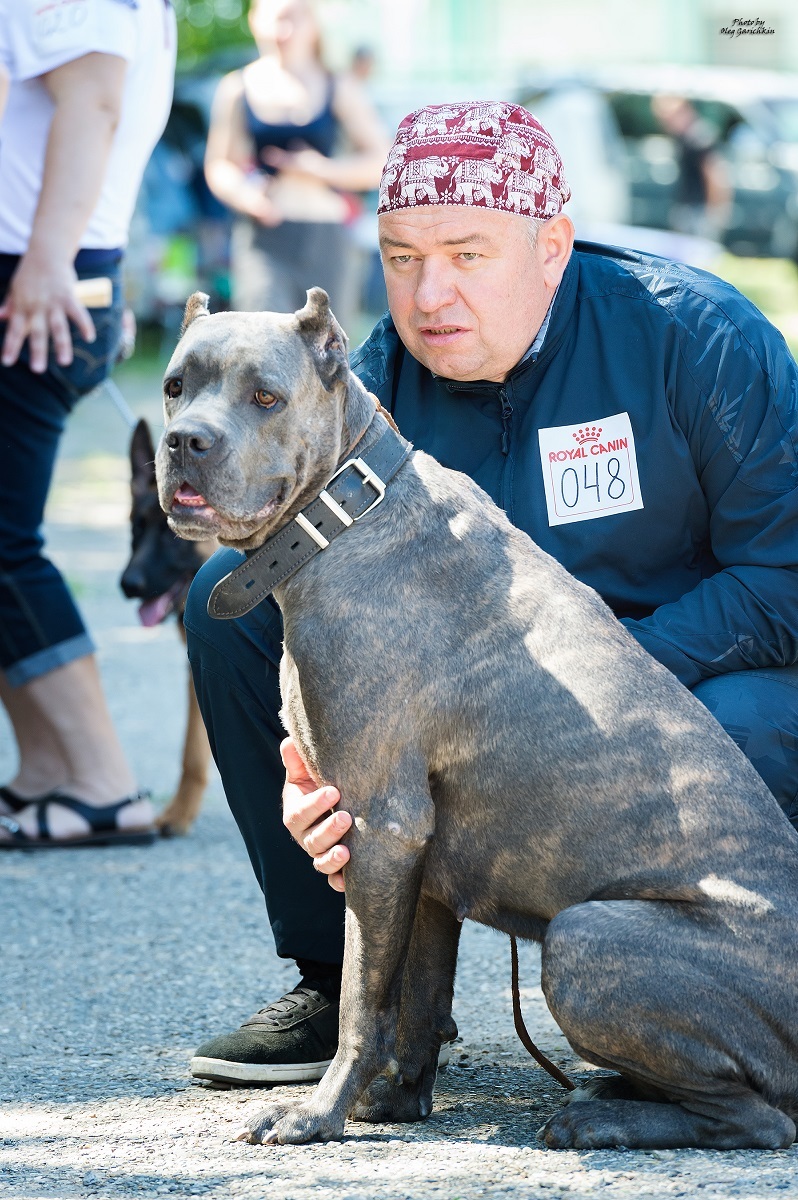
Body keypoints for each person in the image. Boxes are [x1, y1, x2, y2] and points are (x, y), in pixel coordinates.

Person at [183, 100, 798, 1086]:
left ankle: (719, 1010)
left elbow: (786, 577)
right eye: (400, 255)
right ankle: (345, 981)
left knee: (755, 718)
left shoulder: (701, 339)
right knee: (235, 607)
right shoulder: (377, 379)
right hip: (479, 714)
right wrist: (325, 772)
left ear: (551, 246)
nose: (430, 293)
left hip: (690, 683)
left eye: (467, 255)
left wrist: (620, 672)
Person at [0, 0, 176, 847]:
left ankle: (102, 782)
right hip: (58, 272)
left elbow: (95, 102)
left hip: (36, 282)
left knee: (3, 542)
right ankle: (49, 771)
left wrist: (47, 261)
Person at [204, 0, 388, 331]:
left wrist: (319, 169)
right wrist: (245, 196)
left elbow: (381, 161)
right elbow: (219, 165)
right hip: (264, 239)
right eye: (275, 20)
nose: (283, 31)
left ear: (312, 24)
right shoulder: (236, 88)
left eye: (293, 19)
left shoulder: (339, 86)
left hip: (326, 237)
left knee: (325, 357)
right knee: (262, 352)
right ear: (255, 21)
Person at [651, 93, 731, 241]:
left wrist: (716, 213)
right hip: (687, 208)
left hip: (698, 212)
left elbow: (715, 176)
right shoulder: (685, 137)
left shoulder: (699, 137)